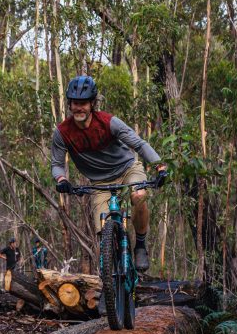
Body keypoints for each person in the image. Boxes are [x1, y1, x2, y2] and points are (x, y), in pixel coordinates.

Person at [51, 75, 167, 271]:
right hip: (99, 183)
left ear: (92, 104)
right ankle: (113, 277)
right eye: (75, 103)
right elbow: (56, 164)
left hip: (127, 169)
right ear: (69, 105)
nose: (79, 108)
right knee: (103, 228)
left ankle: (139, 245)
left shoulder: (109, 122)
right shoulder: (62, 133)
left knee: (139, 195)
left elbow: (139, 144)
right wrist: (61, 179)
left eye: (84, 103)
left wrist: (160, 166)